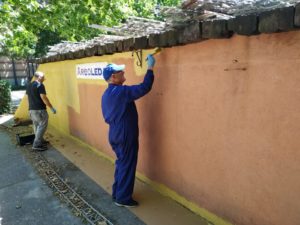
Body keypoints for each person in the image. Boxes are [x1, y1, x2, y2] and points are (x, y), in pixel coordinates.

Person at [101, 54, 156, 207]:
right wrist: (150, 68)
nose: (123, 73)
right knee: (127, 164)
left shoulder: (107, 94)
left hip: (115, 133)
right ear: (113, 77)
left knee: (121, 163)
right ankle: (123, 198)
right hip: (125, 134)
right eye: (120, 72)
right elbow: (145, 87)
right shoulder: (121, 92)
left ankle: (117, 193)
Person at [26, 71, 56, 151]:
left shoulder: (29, 85)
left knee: (36, 125)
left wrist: (29, 108)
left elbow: (28, 98)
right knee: (42, 125)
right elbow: (43, 97)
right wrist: (51, 108)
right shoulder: (40, 85)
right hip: (40, 110)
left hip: (32, 109)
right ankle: (36, 144)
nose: (44, 78)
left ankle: (40, 140)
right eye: (43, 77)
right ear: (39, 77)